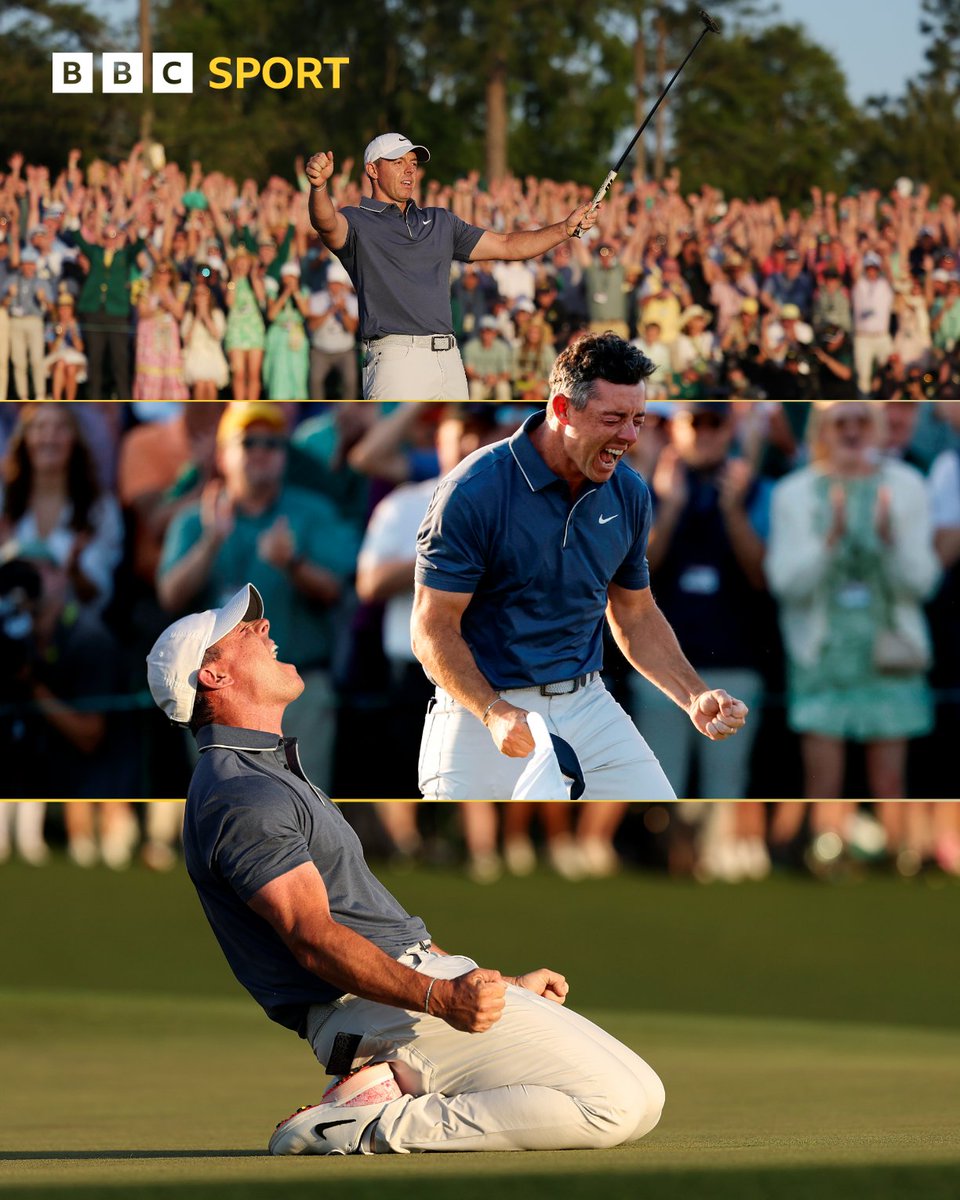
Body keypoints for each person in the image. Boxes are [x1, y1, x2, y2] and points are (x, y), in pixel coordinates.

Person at [145, 582, 665, 1155]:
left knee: (644, 1093)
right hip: (373, 1009)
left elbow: (376, 924)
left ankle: (387, 1091)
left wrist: (496, 984)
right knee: (612, 1104)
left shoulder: (264, 773)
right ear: (212, 677)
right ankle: (359, 1127)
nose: (264, 629)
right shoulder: (240, 791)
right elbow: (313, 940)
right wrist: (441, 999)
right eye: (242, 631)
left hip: (408, 990)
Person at [411, 332, 749, 803]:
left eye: (637, 420)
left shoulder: (630, 492)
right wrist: (494, 711)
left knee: (658, 812)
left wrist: (693, 697)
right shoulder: (472, 489)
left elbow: (634, 614)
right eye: (613, 419)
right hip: (479, 709)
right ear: (562, 409)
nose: (629, 437)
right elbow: (431, 629)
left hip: (589, 702)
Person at [764, 401, 941, 868]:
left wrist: (890, 542)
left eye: (862, 421)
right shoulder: (793, 493)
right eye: (840, 421)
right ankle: (824, 855)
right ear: (822, 429)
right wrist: (828, 543)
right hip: (823, 652)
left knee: (890, 782)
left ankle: (904, 857)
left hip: (890, 651)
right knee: (823, 782)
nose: (852, 431)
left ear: (880, 429)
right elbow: (786, 584)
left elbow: (922, 582)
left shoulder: (907, 486)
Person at [157, 402, 359, 792]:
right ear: (222, 455)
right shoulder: (194, 520)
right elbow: (170, 596)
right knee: (224, 808)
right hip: (217, 695)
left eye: (273, 443)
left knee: (308, 808)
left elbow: (338, 591)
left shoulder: (312, 511)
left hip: (295, 691)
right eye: (249, 442)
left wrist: (294, 562)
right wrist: (211, 541)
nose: (263, 452)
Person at [305, 133, 598, 400]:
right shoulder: (357, 221)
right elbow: (326, 223)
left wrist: (565, 229)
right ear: (372, 169)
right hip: (396, 360)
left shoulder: (441, 221)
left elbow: (508, 245)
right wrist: (319, 188)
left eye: (413, 163)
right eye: (397, 162)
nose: (409, 169)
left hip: (449, 358)